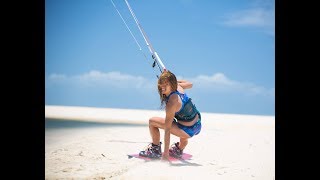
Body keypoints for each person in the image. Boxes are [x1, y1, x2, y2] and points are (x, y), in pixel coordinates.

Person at [139, 70, 202, 161]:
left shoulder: (172, 102)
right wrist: (171, 80)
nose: (162, 87)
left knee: (152, 121)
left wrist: (166, 155)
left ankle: (155, 150)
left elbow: (167, 129)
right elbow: (190, 84)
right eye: (161, 84)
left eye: (166, 84)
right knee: (179, 121)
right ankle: (179, 149)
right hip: (197, 125)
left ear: (171, 84)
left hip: (186, 130)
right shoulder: (178, 86)